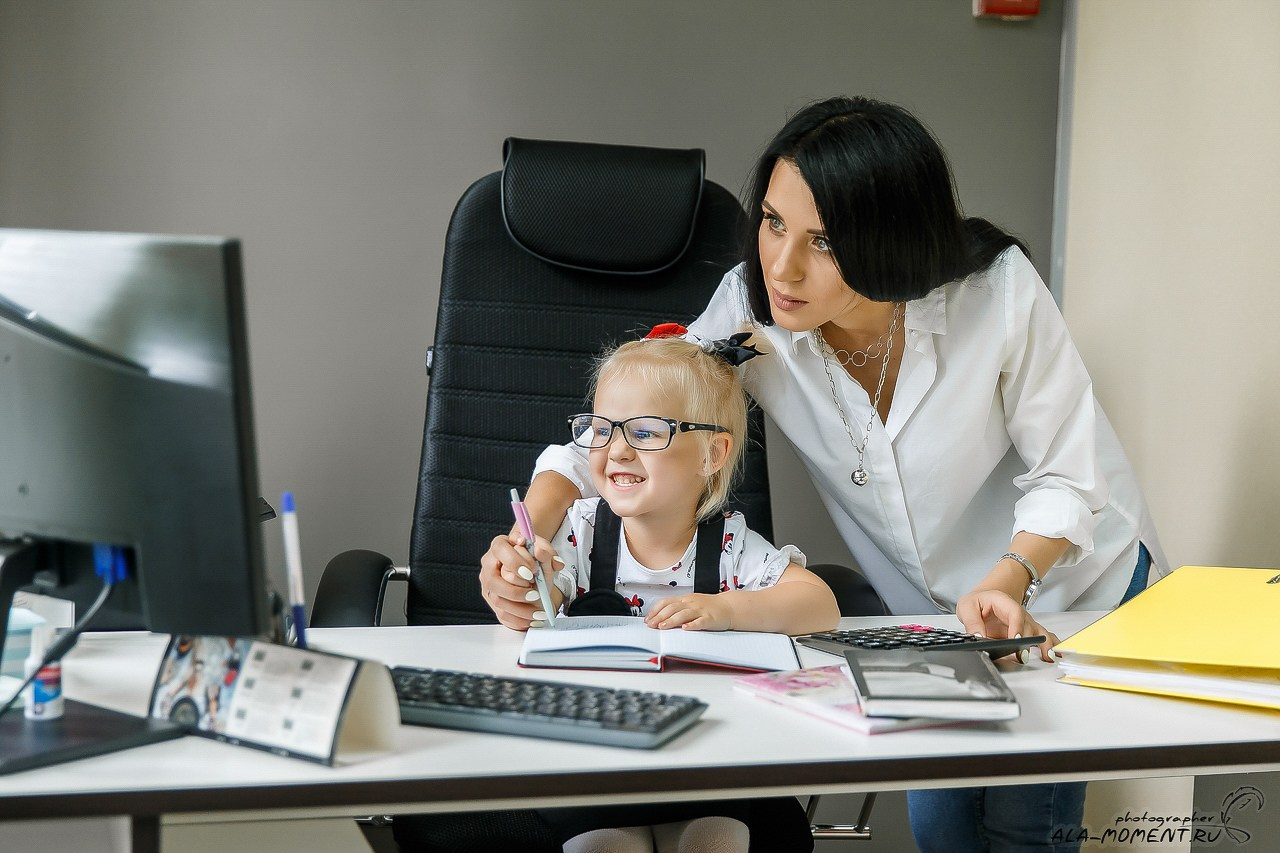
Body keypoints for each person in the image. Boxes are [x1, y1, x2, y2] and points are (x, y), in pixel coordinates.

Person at [480, 96, 1167, 853]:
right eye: (773, 222)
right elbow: (637, 421)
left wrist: (1009, 578)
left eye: (824, 240)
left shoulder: (995, 294)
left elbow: (1069, 477)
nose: (781, 264)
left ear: (889, 239)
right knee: (943, 832)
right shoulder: (751, 308)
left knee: (1022, 831)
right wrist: (528, 534)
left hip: (1061, 585)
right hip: (932, 618)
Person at [505, 330, 837, 853]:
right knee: (605, 847)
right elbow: (536, 596)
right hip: (598, 754)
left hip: (706, 752)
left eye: (644, 432)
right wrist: (528, 582)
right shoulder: (580, 530)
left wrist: (727, 608)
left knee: (715, 842)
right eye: (601, 429)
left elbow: (821, 603)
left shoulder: (729, 543)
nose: (616, 450)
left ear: (712, 454)